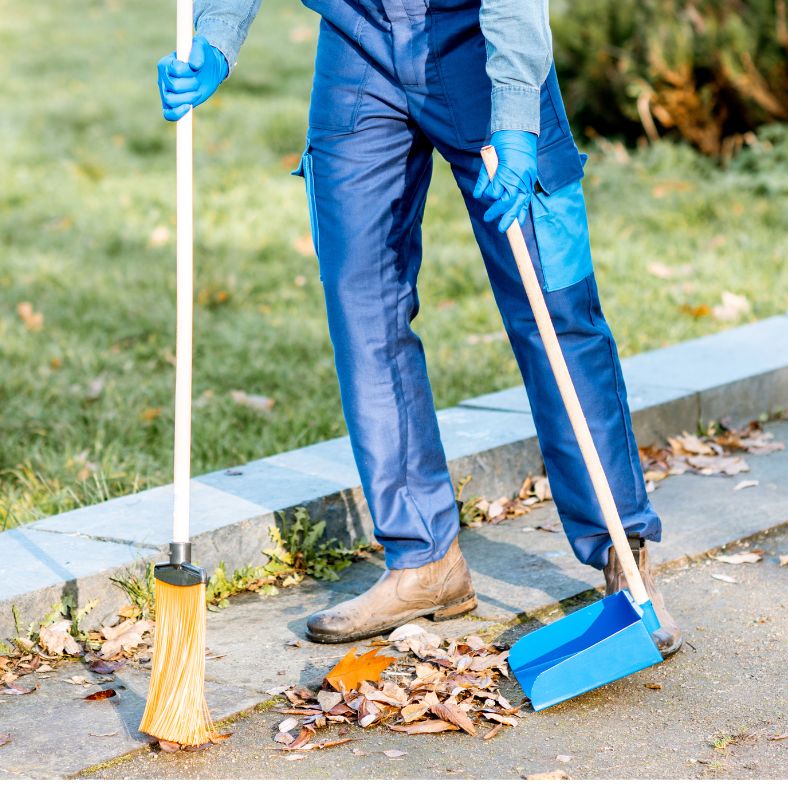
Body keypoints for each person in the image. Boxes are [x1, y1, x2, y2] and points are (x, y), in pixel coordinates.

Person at [157, 0, 682, 655]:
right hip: (357, 40)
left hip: (478, 36)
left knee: (555, 304)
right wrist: (214, 36)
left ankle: (622, 553)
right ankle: (423, 560)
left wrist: (516, 116)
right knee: (362, 300)